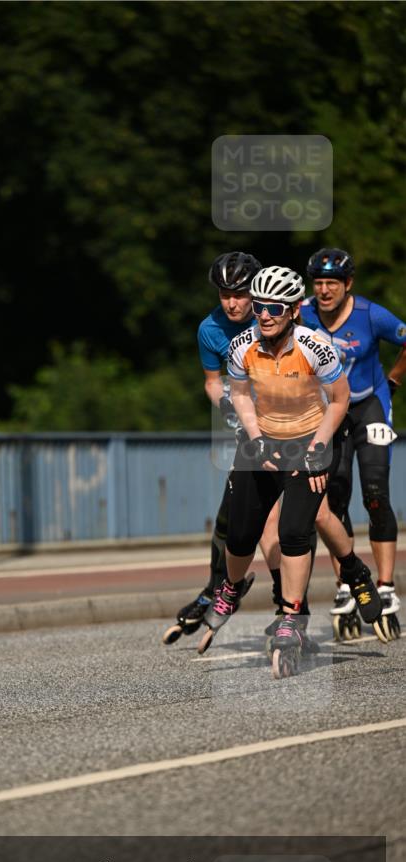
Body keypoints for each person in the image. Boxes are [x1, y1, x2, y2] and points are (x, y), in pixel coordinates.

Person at [198, 265, 389, 678]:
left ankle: (295, 612)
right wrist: (254, 435)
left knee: (296, 529)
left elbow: (339, 401)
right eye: (260, 307)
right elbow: (242, 394)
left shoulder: (315, 347)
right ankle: (230, 589)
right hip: (263, 440)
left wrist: (319, 447)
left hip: (312, 439)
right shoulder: (242, 346)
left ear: (292, 312)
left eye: (275, 309)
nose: (264, 315)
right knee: (242, 532)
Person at [162, 250, 281, 642]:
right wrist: (227, 403)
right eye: (224, 293)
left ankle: (293, 604)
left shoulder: (276, 317)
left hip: (290, 428)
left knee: (280, 525)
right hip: (247, 432)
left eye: (240, 293)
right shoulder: (209, 329)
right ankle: (217, 589)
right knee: (230, 521)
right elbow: (212, 381)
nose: (232, 302)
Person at [300, 248, 405, 639]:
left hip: (369, 405)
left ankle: (387, 587)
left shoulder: (370, 315)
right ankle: (347, 585)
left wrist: (393, 382)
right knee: (335, 496)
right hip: (331, 412)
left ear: (348, 285)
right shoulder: (303, 312)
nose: (324, 291)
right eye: (319, 283)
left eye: (333, 283)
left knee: (375, 493)